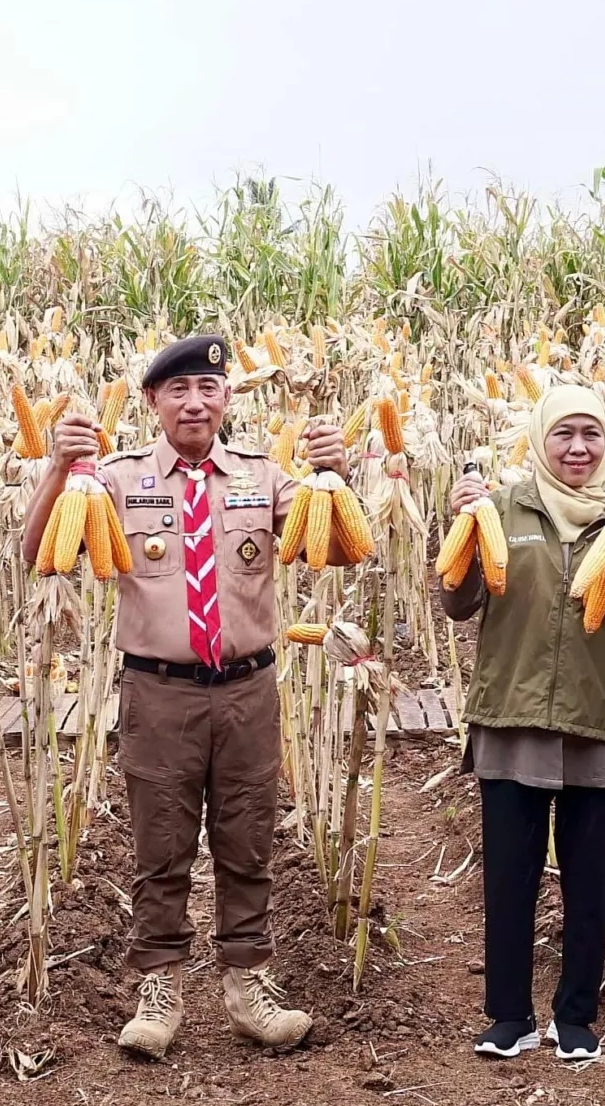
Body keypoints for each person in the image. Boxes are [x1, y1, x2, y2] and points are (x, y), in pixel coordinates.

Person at [20, 334, 356, 1059]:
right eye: (178, 390)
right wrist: (57, 466)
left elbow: (329, 545)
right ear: (153, 401)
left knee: (247, 838)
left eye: (208, 389)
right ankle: (161, 987)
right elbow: (37, 549)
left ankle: (248, 986)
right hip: (159, 690)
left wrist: (336, 473)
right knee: (161, 845)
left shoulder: (265, 478)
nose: (194, 402)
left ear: (226, 397)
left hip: (247, 690)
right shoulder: (113, 479)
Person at [439, 385, 605, 1063]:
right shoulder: (502, 508)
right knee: (509, 874)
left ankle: (576, 1016)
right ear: (540, 441)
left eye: (591, 435)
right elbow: (456, 601)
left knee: (591, 876)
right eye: (563, 434)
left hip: (602, 717)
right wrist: (458, 525)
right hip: (513, 713)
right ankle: (508, 1015)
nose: (577, 448)